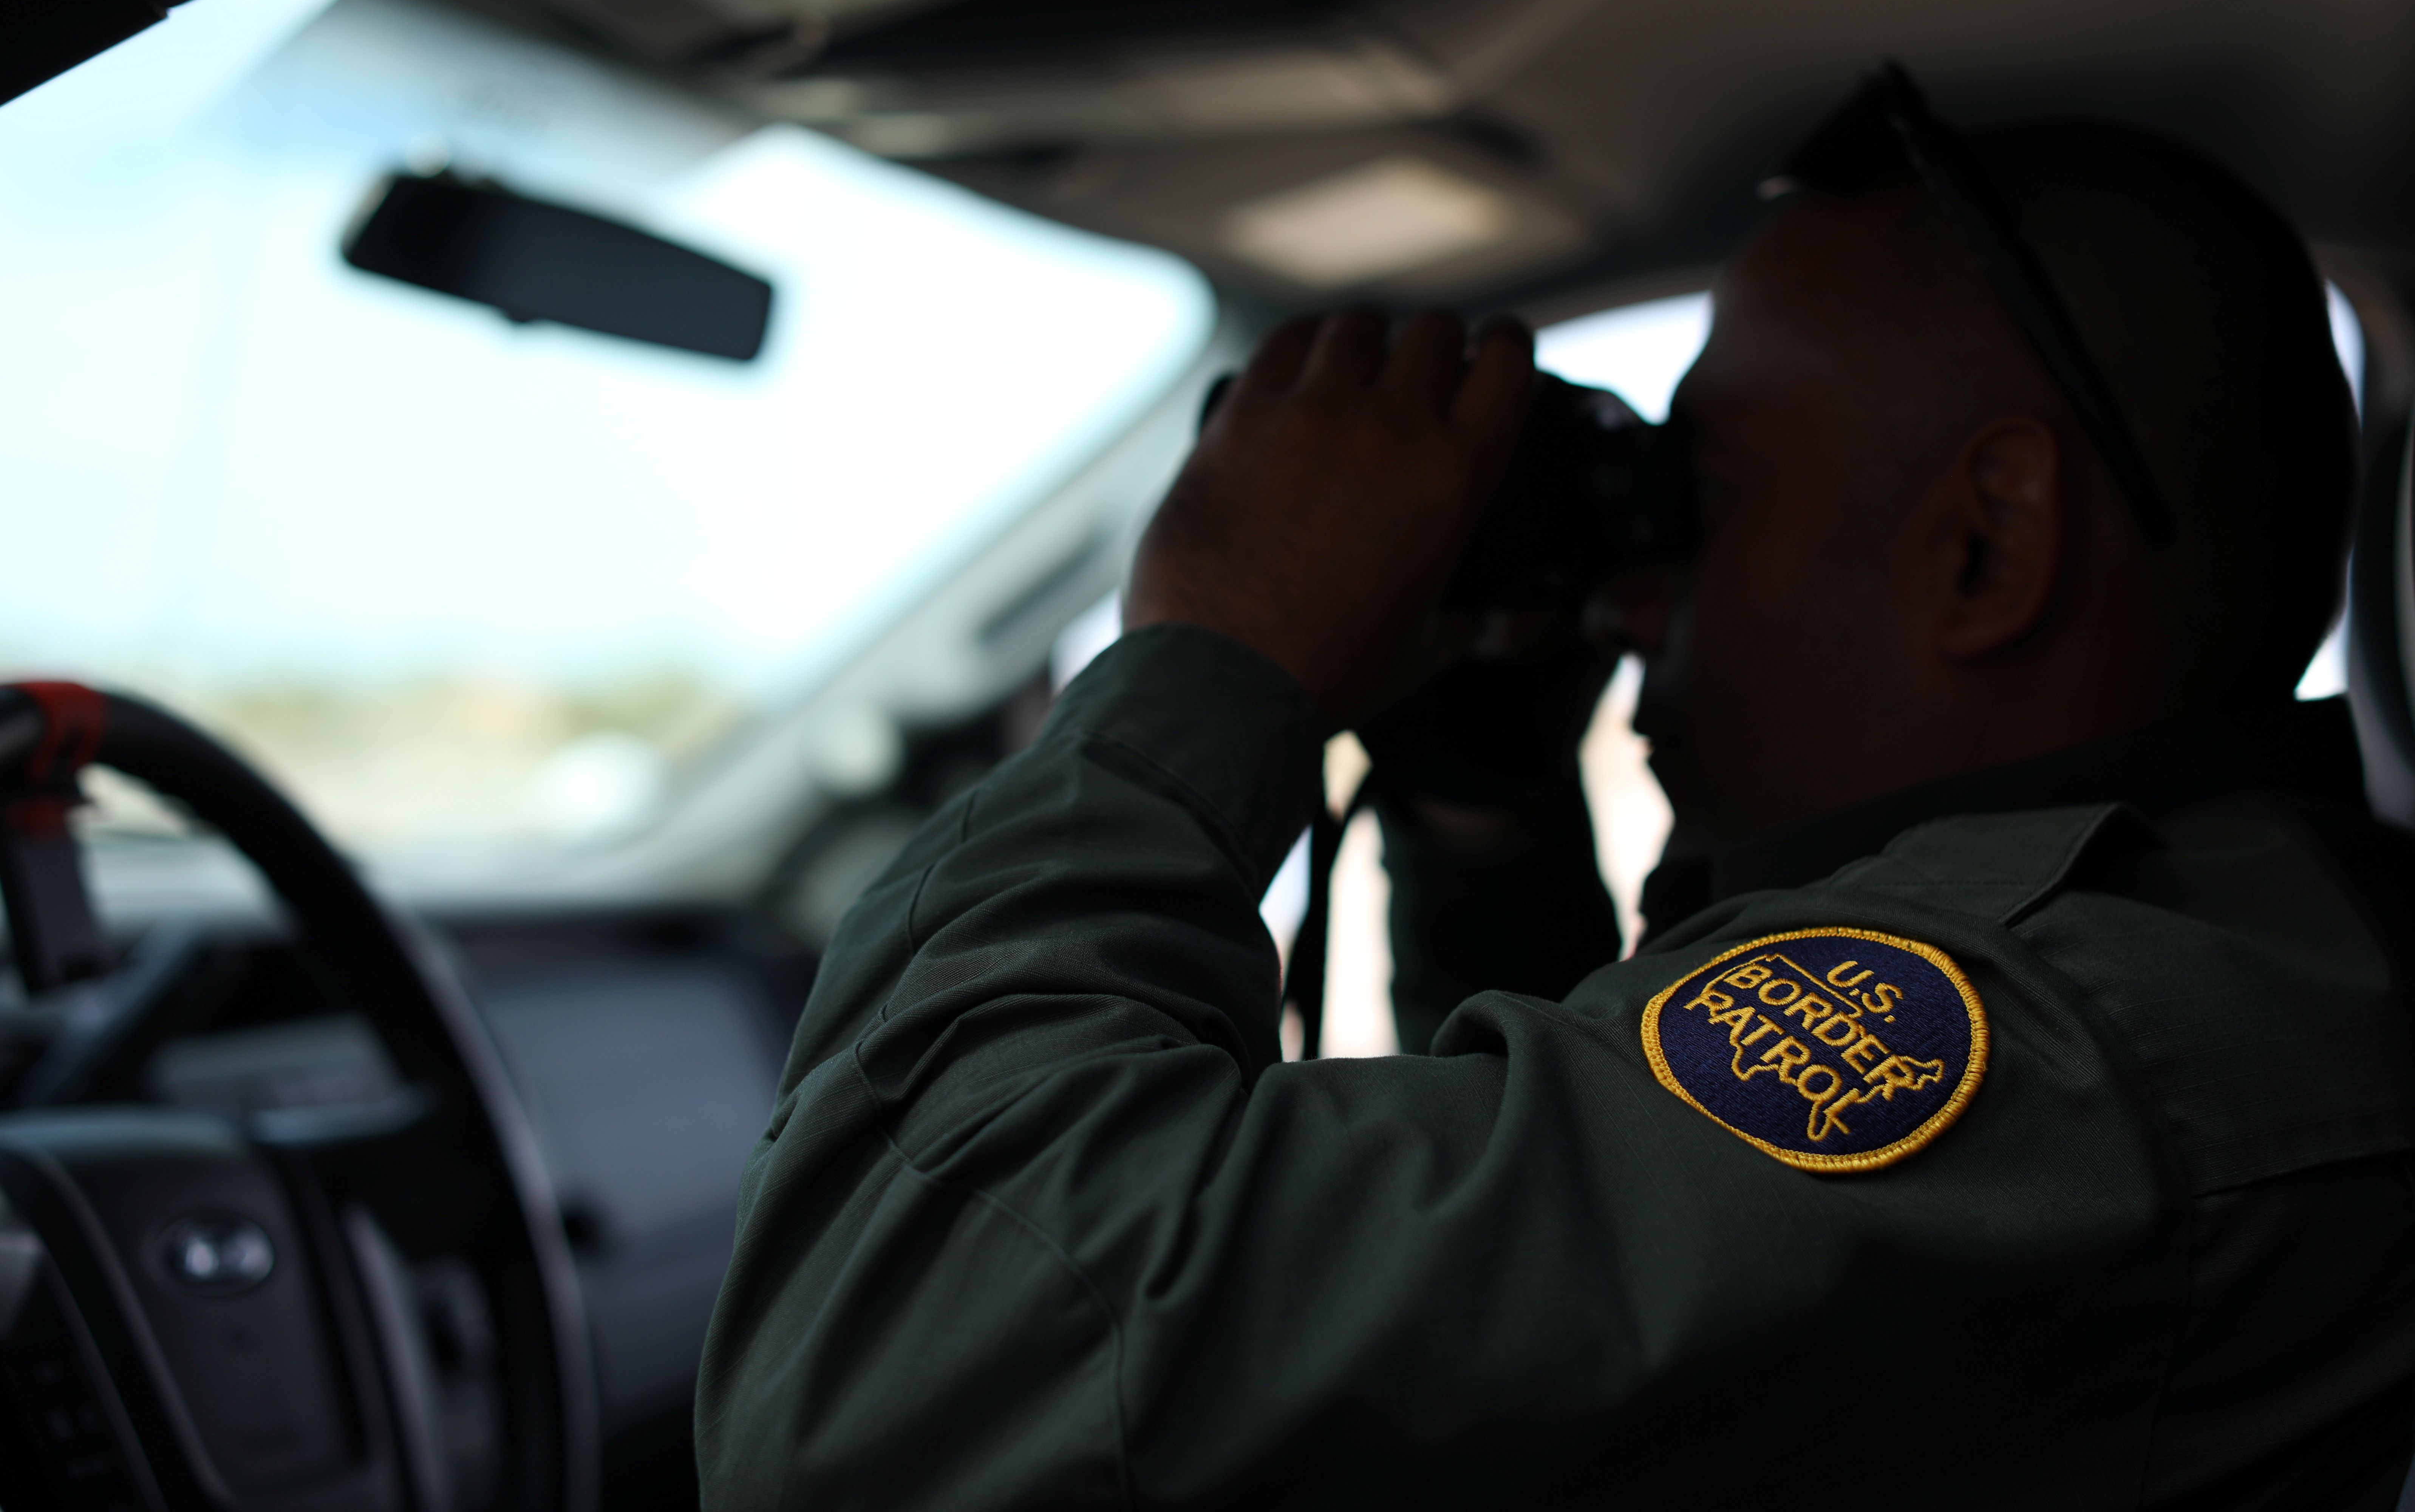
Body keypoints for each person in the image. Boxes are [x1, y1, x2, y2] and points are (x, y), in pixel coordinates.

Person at [695, 77, 2415, 1508]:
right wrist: (1482, 820)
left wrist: (1220, 656)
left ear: (1985, 544)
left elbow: (905, 1376)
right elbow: (1577, 1273)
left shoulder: (2077, 1046)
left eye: (1705, 496)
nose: (1630, 598)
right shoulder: (2183, 946)